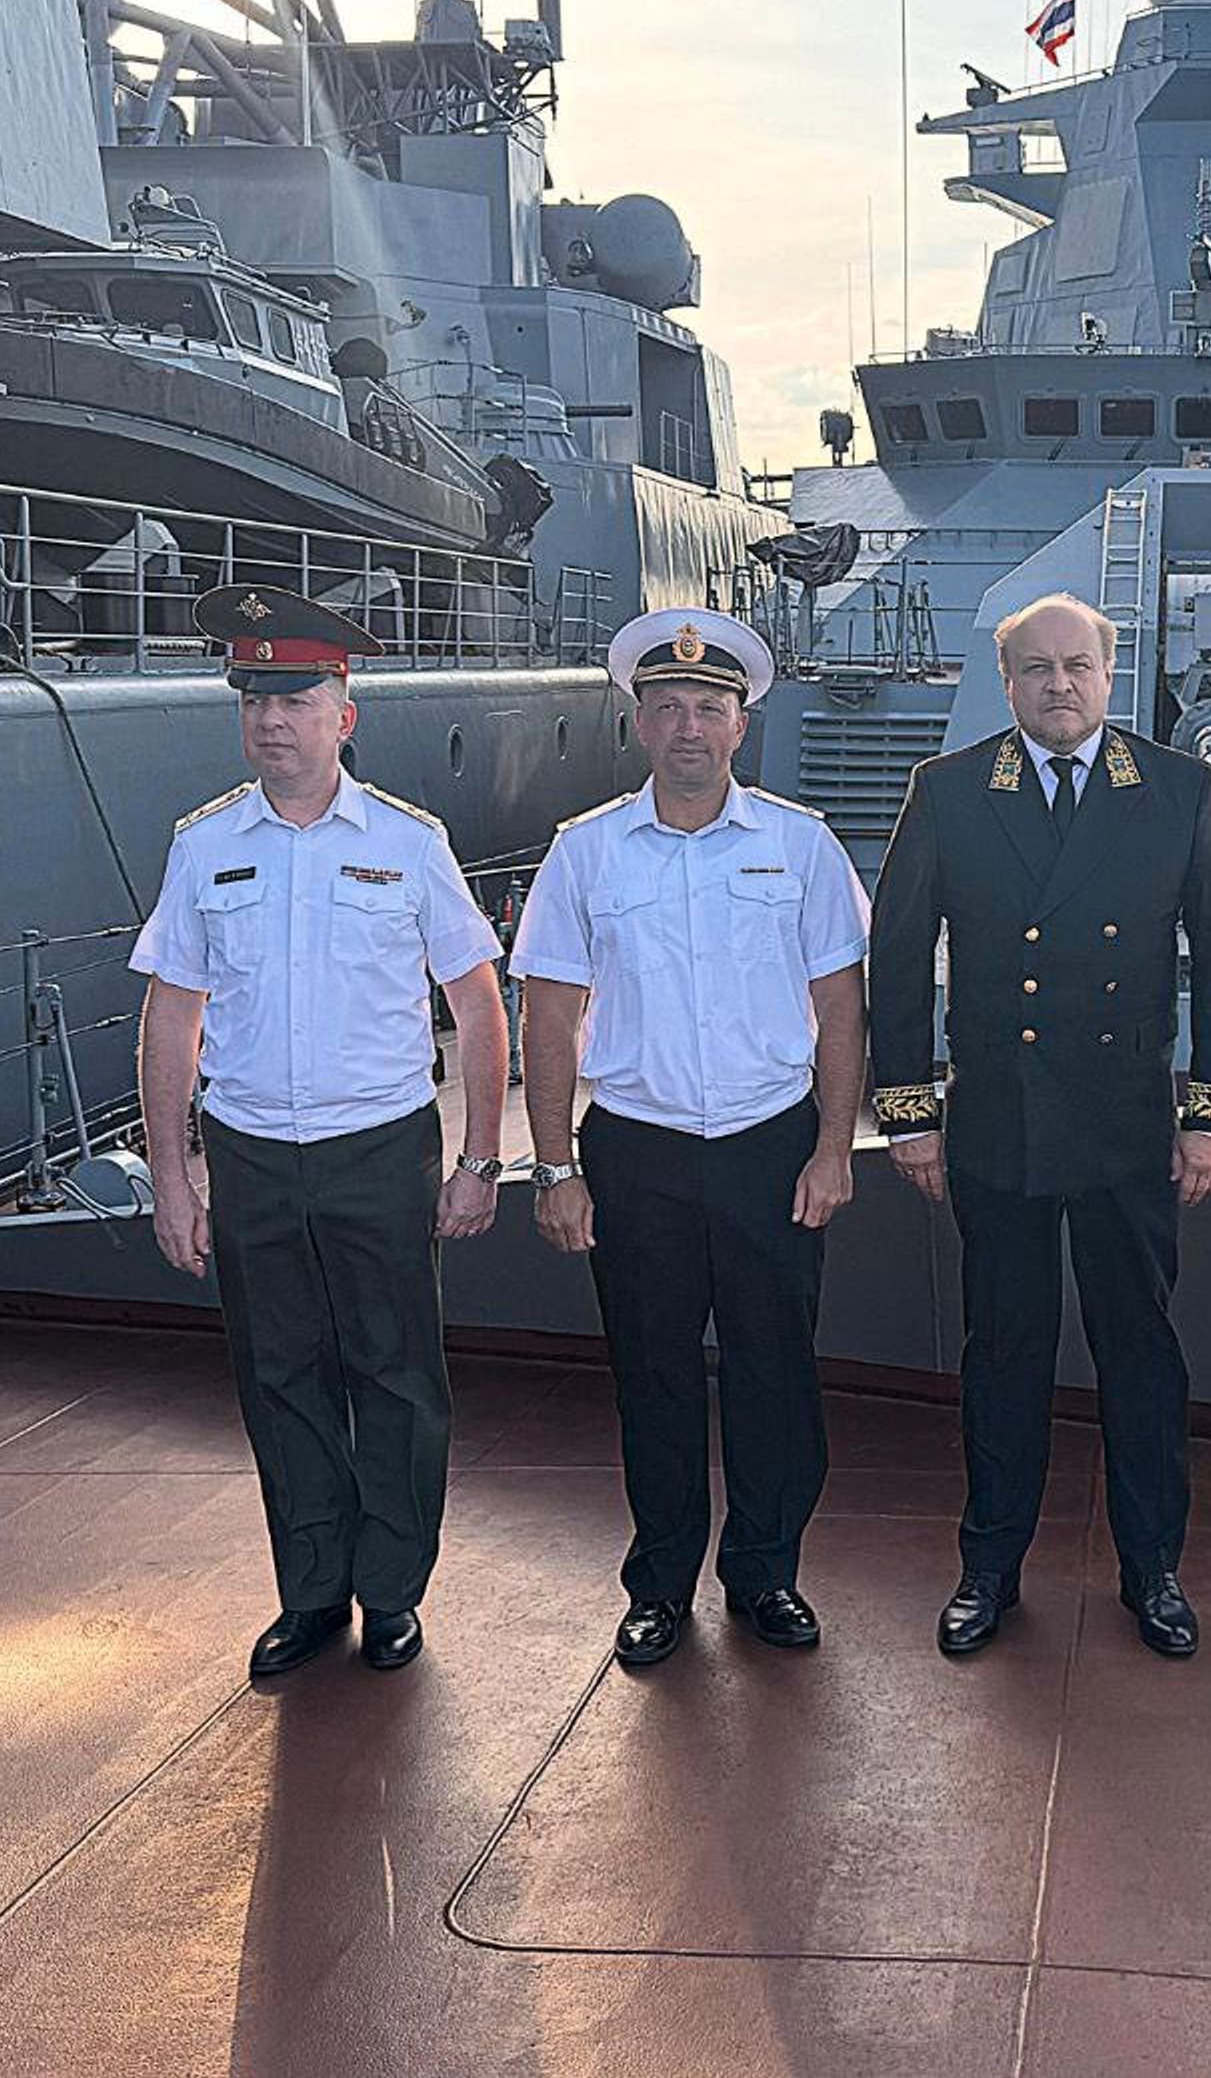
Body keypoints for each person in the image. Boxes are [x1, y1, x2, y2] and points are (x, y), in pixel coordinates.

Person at [133, 583, 510, 1681]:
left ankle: (390, 1591)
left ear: (343, 714)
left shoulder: (409, 842)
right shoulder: (204, 846)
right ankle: (310, 1591)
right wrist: (172, 1177)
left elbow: (478, 1002)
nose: (271, 721)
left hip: (378, 1149)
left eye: (294, 701)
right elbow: (172, 1014)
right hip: (251, 1152)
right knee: (280, 1377)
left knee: (396, 1378)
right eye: (254, 700)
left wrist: (481, 1158)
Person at [869, 592, 1211, 1659]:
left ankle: (1153, 1567)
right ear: (1007, 683)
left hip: (1127, 1125)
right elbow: (896, 957)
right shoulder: (949, 790)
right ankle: (989, 1567)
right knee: (1004, 1352)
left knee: (1141, 1353)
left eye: (1077, 665)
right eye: (1036, 668)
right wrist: (908, 1111)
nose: (1059, 684)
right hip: (999, 1123)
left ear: (1108, 672)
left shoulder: (1176, 789)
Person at [511, 608, 870, 1668]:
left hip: (770, 1146)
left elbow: (841, 1007)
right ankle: (660, 1584)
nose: (687, 727)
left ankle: (764, 1573)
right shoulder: (586, 852)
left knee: (775, 1372)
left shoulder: (799, 846)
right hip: (639, 1151)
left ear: (739, 726)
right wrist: (556, 1167)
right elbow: (548, 1016)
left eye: (709, 708)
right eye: (666, 707)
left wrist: (834, 1148)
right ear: (638, 723)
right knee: (653, 1375)